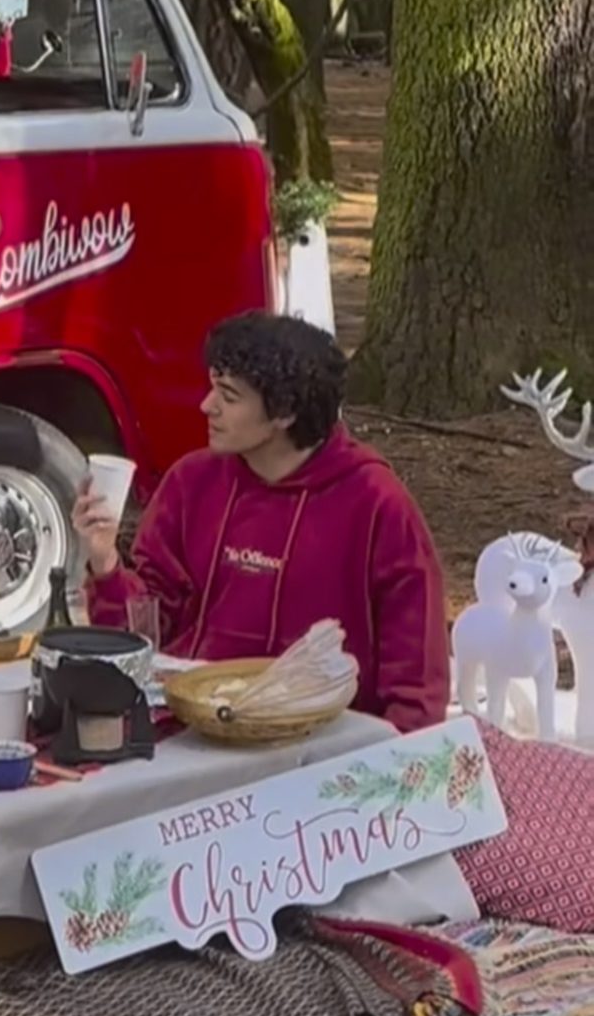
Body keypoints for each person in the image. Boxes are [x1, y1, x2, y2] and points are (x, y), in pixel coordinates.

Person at [71, 312, 448, 732]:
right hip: (188, 731)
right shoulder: (191, 481)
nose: (206, 406)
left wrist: (392, 760)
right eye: (213, 387)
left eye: (228, 396)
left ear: (284, 413)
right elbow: (145, 636)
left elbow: (417, 674)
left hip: (322, 747)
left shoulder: (376, 501)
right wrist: (104, 562)